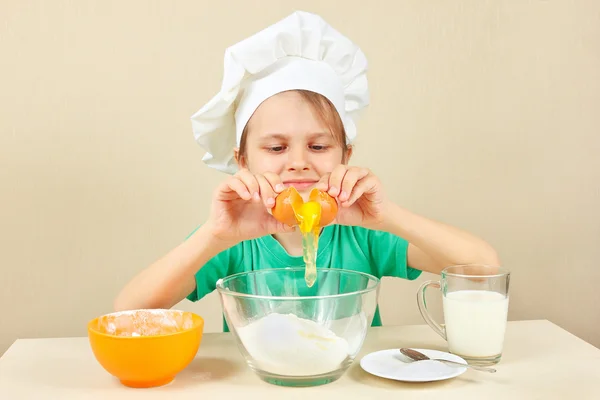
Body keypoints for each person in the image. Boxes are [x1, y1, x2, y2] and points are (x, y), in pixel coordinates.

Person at [114, 11, 499, 331]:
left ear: (346, 154)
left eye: (318, 146)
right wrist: (213, 236)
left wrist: (386, 217)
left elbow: (483, 269)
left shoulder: (362, 232)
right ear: (242, 159)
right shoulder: (232, 237)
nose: (299, 162)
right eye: (276, 147)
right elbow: (127, 314)